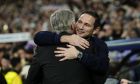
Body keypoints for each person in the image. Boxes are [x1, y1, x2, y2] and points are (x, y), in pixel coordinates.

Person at [33, 10, 109, 84]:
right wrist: (66, 38)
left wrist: (79, 55)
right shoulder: (65, 37)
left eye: (87, 25)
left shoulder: (99, 44)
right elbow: (38, 37)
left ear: (95, 30)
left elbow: (103, 66)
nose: (81, 27)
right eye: (79, 22)